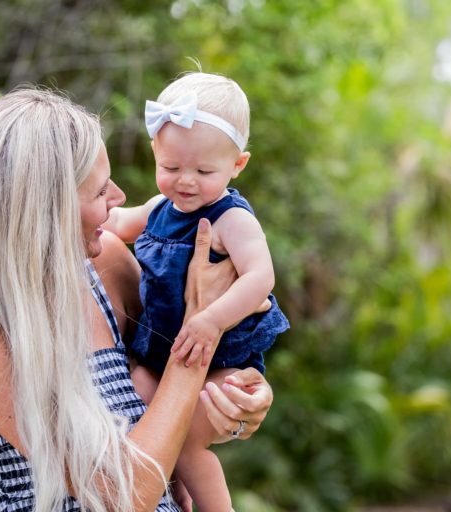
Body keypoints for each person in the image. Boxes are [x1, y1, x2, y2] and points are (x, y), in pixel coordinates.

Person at [0, 87, 275, 512]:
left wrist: (240, 403)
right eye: (99, 191)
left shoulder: (104, 264)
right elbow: (121, 493)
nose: (120, 199)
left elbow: (172, 398)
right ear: (44, 209)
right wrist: (197, 333)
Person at [104, 72, 289, 511]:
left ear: (237, 165)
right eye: (170, 168)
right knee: (140, 407)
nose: (185, 181)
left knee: (186, 441)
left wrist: (212, 319)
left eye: (204, 171)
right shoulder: (158, 209)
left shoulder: (232, 220)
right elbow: (112, 224)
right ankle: (173, 494)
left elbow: (260, 278)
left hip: (222, 358)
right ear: (156, 154)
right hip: (160, 352)